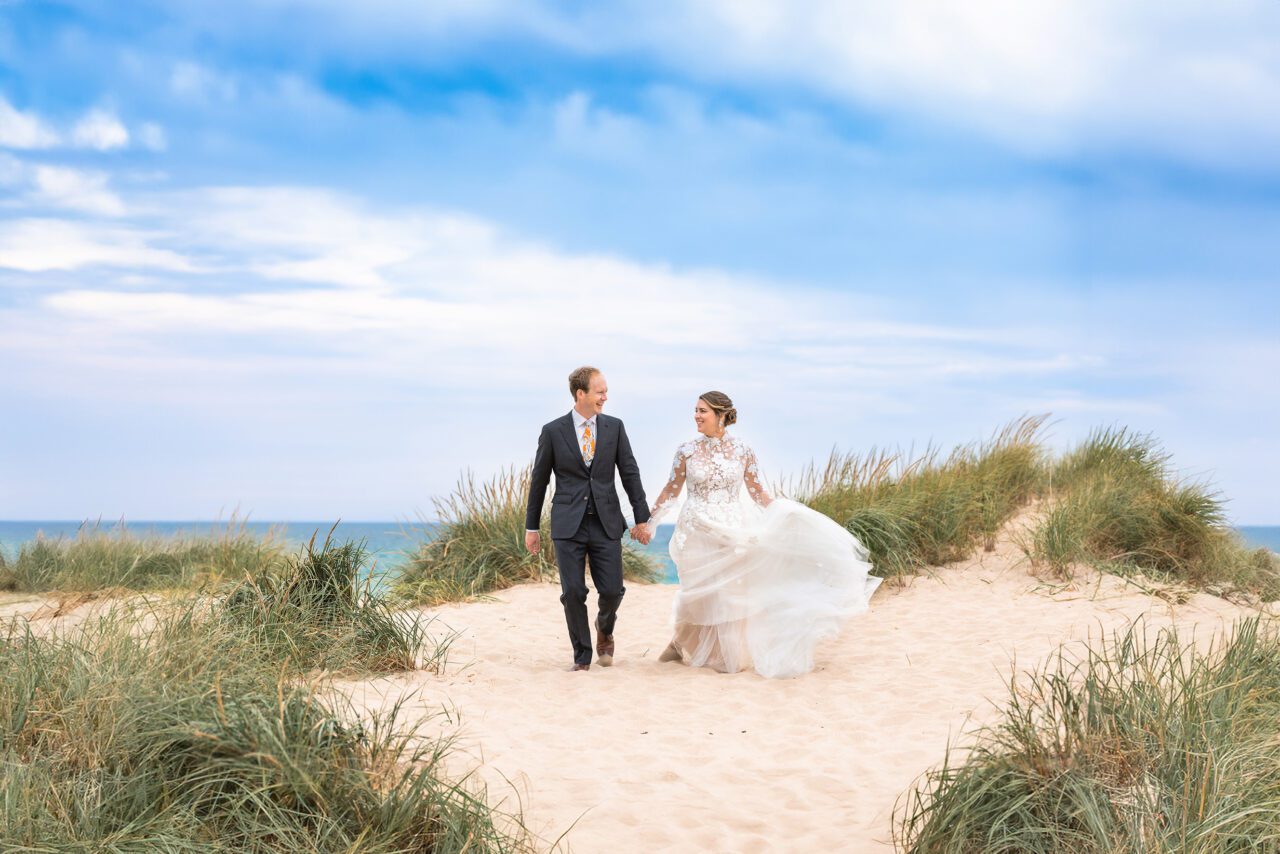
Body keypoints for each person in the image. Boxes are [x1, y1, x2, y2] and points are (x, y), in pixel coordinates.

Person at [638, 391, 881, 678]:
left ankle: (717, 654)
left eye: (703, 411)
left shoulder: (742, 450)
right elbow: (671, 490)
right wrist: (649, 523)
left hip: (732, 530)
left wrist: (783, 512)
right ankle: (680, 643)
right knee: (696, 593)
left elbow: (756, 492)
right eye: (695, 410)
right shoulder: (686, 450)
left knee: (727, 593)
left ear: (721, 415)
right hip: (696, 530)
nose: (697, 416)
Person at [525, 366, 652, 672]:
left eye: (605, 391)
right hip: (568, 522)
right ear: (580, 394)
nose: (605, 397)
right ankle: (582, 657)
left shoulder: (615, 427)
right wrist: (531, 527)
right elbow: (539, 480)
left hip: (606, 520)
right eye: (600, 391)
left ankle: (604, 628)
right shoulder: (553, 431)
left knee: (612, 590)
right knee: (572, 593)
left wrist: (642, 517)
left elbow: (629, 472)